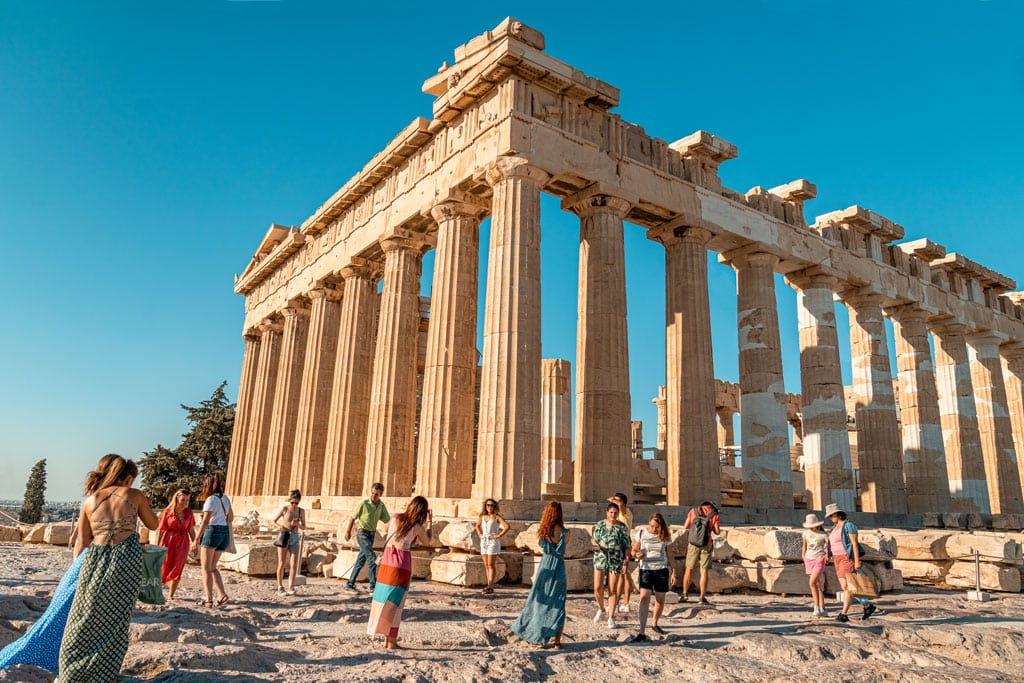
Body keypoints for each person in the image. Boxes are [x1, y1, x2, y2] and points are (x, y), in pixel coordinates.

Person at [0, 454, 117, 675]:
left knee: (59, 620)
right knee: (63, 621)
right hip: (92, 566)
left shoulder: (93, 500)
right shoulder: (111, 502)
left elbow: (81, 541)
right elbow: (84, 539)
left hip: (83, 565)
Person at [57, 454, 159, 682]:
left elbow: (82, 542)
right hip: (126, 558)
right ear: (128, 478)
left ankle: (72, 672)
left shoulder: (90, 501)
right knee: (117, 619)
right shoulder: (135, 495)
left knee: (83, 617)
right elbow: (154, 524)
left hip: (94, 558)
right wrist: (146, 505)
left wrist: (77, 572)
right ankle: (104, 674)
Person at [367, 495, 432, 649]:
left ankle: (385, 639)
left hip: (387, 562)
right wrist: (430, 523)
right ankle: (391, 642)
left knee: (383, 600)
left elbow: (384, 528)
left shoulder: (396, 517)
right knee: (396, 604)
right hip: (401, 565)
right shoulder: (416, 527)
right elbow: (428, 541)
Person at [511, 501, 567, 649]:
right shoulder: (566, 532)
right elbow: (562, 550)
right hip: (558, 567)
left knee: (539, 602)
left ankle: (538, 638)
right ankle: (557, 641)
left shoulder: (542, 532)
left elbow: (543, 547)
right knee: (559, 603)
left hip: (545, 567)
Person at [825, 502, 876, 622]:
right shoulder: (834, 528)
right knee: (849, 586)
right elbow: (832, 543)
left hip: (846, 558)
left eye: (831, 516)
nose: (830, 518)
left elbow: (854, 544)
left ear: (837, 514)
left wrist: (857, 561)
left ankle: (844, 613)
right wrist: (828, 555)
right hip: (837, 558)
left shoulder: (849, 525)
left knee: (846, 586)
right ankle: (867, 606)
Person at [629, 513, 675, 643]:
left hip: (661, 569)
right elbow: (634, 550)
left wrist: (674, 572)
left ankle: (654, 623)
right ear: (649, 523)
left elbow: (670, 555)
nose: (654, 529)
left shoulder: (665, 536)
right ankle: (642, 631)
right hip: (646, 569)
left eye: (656, 527)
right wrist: (636, 554)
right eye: (652, 526)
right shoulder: (642, 533)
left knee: (660, 599)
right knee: (644, 598)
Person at [191, 471, 233, 608]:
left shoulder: (211, 500)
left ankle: (208, 599)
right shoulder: (226, 498)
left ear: (207, 485)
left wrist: (196, 539)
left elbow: (205, 521)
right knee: (213, 567)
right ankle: (222, 595)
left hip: (212, 531)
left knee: (205, 568)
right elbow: (230, 517)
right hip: (224, 533)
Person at [343, 482, 389, 594]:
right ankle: (373, 587)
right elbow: (352, 517)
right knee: (372, 558)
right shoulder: (364, 503)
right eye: (373, 493)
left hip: (372, 535)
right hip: (362, 534)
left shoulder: (381, 506)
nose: (374, 496)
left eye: (377, 494)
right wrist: (348, 531)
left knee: (360, 561)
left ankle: (350, 584)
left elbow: (387, 520)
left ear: (381, 494)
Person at [591, 502, 630, 628]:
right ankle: (601, 608)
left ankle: (611, 616)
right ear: (607, 513)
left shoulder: (622, 527)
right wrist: (595, 545)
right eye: (611, 512)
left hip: (616, 559)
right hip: (601, 557)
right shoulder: (600, 525)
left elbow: (627, 545)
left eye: (615, 513)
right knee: (597, 587)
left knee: (612, 589)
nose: (613, 515)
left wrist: (626, 561)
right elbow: (593, 538)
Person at [157, 489, 196, 601]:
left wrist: (195, 543)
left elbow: (191, 530)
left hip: (183, 542)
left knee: (178, 567)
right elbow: (161, 530)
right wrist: (157, 545)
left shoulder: (189, 512)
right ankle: (158, 592)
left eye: (187, 500)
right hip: (168, 541)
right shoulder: (167, 512)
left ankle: (171, 595)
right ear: (177, 499)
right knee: (165, 566)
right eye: (183, 500)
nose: (185, 502)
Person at [680, 500, 720, 605]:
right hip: (706, 544)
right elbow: (717, 531)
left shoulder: (693, 511)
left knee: (689, 569)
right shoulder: (714, 514)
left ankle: (684, 594)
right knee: (704, 571)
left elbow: (686, 526)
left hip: (693, 543)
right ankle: (702, 597)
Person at [272, 490, 306, 595]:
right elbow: (274, 521)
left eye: (296, 503)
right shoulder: (285, 509)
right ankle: (280, 587)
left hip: (295, 537)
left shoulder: (301, 511)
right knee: (281, 563)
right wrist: (280, 527)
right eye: (292, 502)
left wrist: (298, 524)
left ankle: (291, 586)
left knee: (294, 564)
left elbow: (304, 527)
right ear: (290, 500)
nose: (294, 505)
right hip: (284, 536)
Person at [475, 498, 510, 595]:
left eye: (492, 505)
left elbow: (507, 526)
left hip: (493, 541)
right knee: (486, 565)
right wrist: (480, 534)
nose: (489, 507)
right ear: (485, 506)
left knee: (491, 564)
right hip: (484, 541)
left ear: (495, 507)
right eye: (487, 505)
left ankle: (490, 586)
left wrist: (498, 535)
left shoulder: (497, 517)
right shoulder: (482, 516)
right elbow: (477, 526)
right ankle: (489, 584)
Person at [609, 492, 635, 613]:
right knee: (623, 575)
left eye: (617, 501)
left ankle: (624, 602)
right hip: (619, 546)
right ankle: (619, 602)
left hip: (624, 545)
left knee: (624, 575)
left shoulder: (625, 512)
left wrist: (616, 502)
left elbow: (621, 506)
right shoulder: (621, 513)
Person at [801, 512, 829, 617]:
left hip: (819, 559)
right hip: (809, 559)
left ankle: (816, 607)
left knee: (811, 583)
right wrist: (803, 556)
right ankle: (822, 608)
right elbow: (804, 546)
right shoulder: (805, 533)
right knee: (817, 584)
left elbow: (829, 547)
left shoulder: (823, 535)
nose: (812, 528)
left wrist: (826, 555)